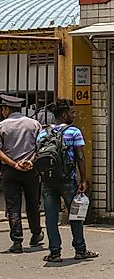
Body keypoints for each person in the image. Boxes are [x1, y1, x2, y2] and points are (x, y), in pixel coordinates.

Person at [40, 99, 98, 262]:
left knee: (51, 217)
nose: (74, 114)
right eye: (72, 112)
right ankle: (80, 249)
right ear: (64, 115)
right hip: (67, 179)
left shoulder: (43, 133)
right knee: (75, 215)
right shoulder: (73, 132)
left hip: (48, 180)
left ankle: (54, 252)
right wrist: (84, 180)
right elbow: (80, 156)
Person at [0, 94, 44, 253]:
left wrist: (14, 164)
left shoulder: (2, 126)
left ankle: (17, 241)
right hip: (30, 169)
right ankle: (36, 234)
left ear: (7, 109)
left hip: (10, 170)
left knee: (13, 205)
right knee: (33, 203)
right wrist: (29, 162)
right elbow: (41, 147)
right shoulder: (34, 124)